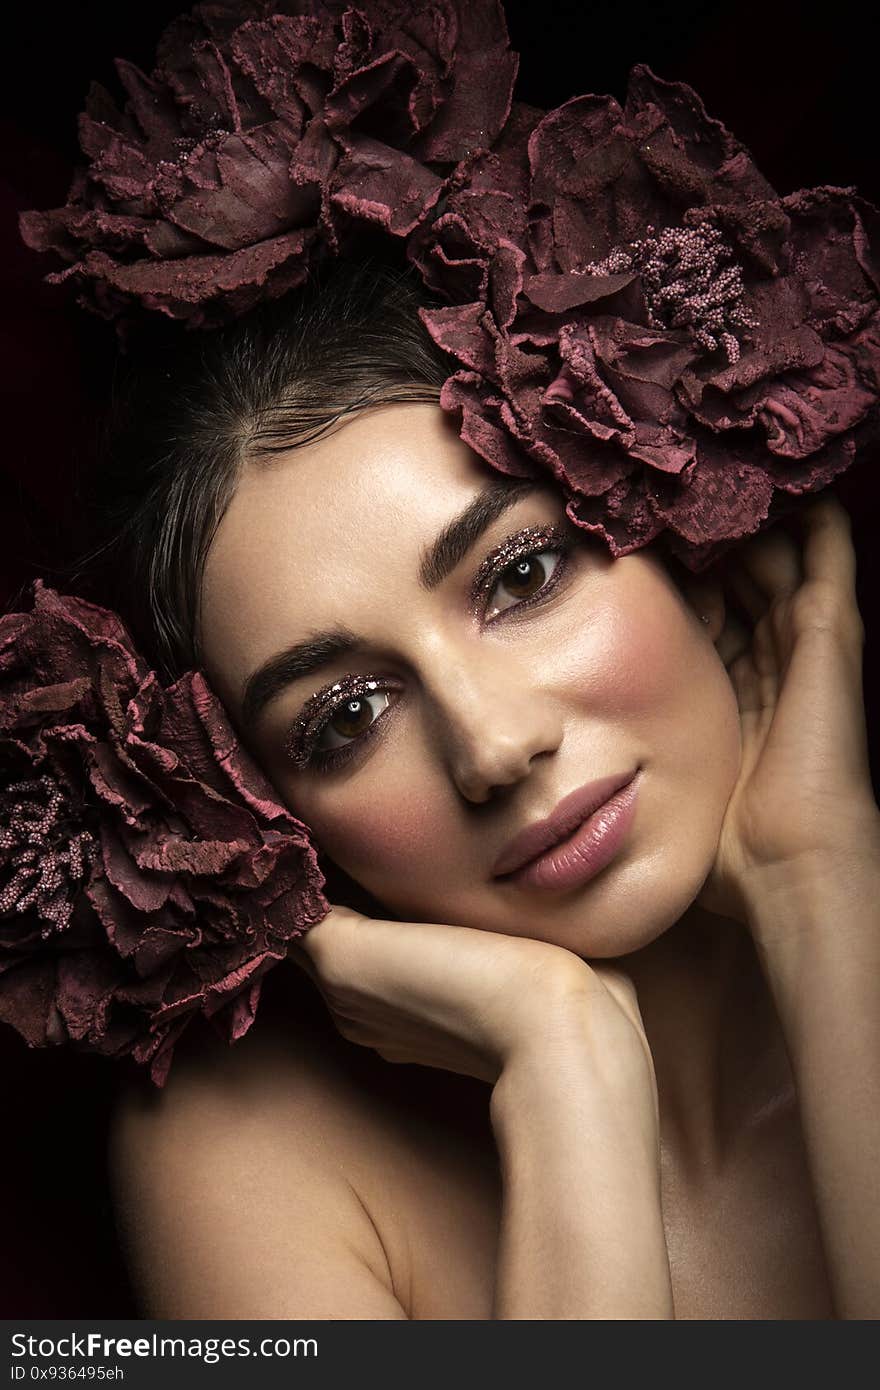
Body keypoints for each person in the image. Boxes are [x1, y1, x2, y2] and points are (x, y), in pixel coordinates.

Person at [91, 255, 880, 1319]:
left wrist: (822, 890)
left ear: (680, 530)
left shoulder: (840, 889)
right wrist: (564, 1068)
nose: (495, 747)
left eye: (521, 575)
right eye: (349, 716)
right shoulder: (241, 1146)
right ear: (254, 813)